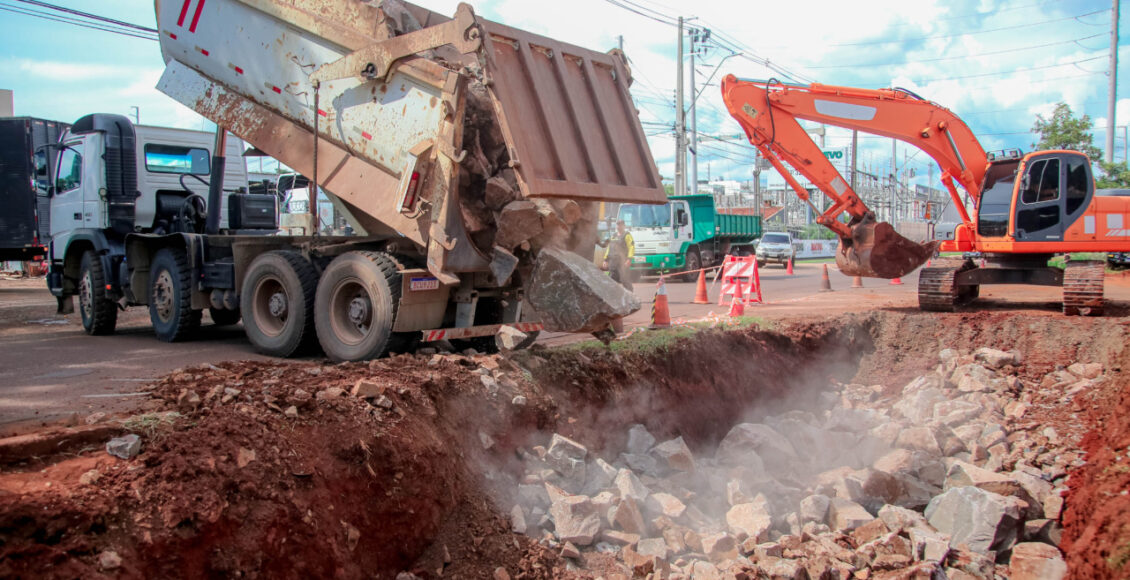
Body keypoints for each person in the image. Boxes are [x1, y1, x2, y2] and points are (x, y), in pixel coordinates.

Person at [598, 220, 635, 291]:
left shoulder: (627, 235)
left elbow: (631, 247)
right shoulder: (613, 236)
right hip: (613, 262)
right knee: (611, 280)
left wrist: (629, 259)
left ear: (624, 226)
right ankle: (611, 298)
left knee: (625, 280)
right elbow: (609, 248)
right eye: (618, 225)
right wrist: (605, 260)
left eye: (620, 225)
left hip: (622, 262)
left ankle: (630, 296)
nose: (619, 227)